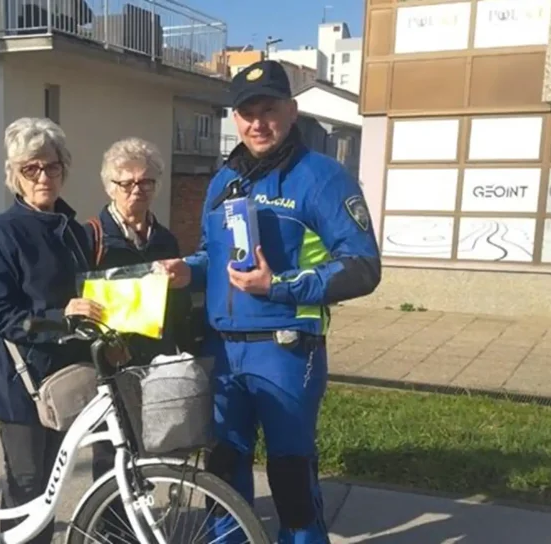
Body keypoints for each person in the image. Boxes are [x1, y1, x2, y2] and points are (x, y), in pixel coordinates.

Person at [157, 60, 382, 544]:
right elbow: (212, 256)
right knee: (221, 471)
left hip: (286, 350)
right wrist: (186, 271)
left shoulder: (322, 177)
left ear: (292, 110)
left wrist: (278, 285)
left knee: (290, 475)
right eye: (246, 112)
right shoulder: (223, 181)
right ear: (233, 118)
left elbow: (363, 267)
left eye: (269, 109)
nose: (258, 123)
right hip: (222, 350)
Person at [0, 116, 104, 544]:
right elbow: (0, 315)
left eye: (51, 166)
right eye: (31, 168)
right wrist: (60, 315)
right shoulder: (0, 233)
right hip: (20, 379)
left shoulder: (74, 231)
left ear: (64, 169)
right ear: (15, 175)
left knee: (49, 488)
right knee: (27, 489)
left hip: (64, 377)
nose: (43, 176)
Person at [84, 136, 195, 486]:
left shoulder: (164, 240)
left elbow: (178, 304)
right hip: (111, 363)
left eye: (146, 181)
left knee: (148, 449)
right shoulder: (91, 237)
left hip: (155, 360)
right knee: (111, 452)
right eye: (126, 182)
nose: (137, 189)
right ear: (109, 187)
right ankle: (107, 530)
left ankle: (137, 524)